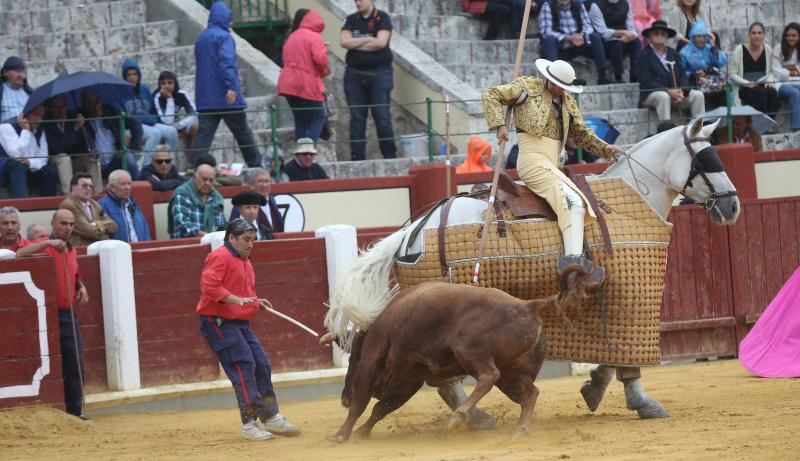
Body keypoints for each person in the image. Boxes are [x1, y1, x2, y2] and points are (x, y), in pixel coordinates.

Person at [482, 58, 616, 290]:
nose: (560, 89)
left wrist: (605, 148)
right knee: (573, 201)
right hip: (532, 161)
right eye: (556, 84)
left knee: (579, 201)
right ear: (547, 78)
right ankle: (573, 265)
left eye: (564, 86)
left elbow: (582, 134)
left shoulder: (569, 102)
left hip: (553, 163)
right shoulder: (526, 87)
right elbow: (491, 94)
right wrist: (499, 126)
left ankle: (575, 259)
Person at [196, 218, 301, 440]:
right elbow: (209, 286)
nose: (251, 244)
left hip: (238, 322)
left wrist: (255, 301)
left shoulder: (244, 259)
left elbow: (243, 290)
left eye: (253, 240)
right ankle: (250, 424)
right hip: (218, 322)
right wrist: (236, 300)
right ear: (231, 238)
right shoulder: (220, 256)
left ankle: (270, 416)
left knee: (261, 365)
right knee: (245, 366)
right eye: (246, 239)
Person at [16, 209, 90, 419]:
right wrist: (47, 243)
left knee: (74, 364)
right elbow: (19, 254)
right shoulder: (44, 247)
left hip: (67, 315)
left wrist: (80, 285)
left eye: (70, 224)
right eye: (63, 223)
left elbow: (74, 273)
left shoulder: (71, 249)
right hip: (44, 316)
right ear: (53, 224)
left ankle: (74, 412)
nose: (67, 228)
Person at [193, 2, 262, 169]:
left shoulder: (201, 38)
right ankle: (256, 167)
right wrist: (231, 87)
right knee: (243, 133)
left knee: (203, 138)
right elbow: (227, 63)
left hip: (206, 98)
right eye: (230, 19)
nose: (231, 23)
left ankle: (196, 169)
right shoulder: (224, 37)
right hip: (226, 96)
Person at [340, 0, 398, 161]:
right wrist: (367, 39)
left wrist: (355, 43)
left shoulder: (382, 18)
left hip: (380, 72)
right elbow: (344, 42)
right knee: (357, 118)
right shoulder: (350, 19)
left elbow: (381, 43)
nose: (357, 3)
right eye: (355, 0)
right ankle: (357, 157)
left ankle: (389, 156)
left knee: (382, 117)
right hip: (354, 73)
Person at [277, 9, 330, 142]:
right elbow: (320, 60)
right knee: (319, 116)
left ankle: (300, 152)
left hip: (288, 82)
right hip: (306, 82)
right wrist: (324, 51)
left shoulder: (292, 36)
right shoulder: (314, 36)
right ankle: (308, 149)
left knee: (300, 120)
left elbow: (285, 59)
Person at [636, 20, 705, 121]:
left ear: (667, 37)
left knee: (697, 95)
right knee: (663, 96)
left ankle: (697, 131)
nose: (659, 36)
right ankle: (667, 131)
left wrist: (681, 91)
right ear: (649, 37)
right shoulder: (643, 55)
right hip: (653, 94)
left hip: (676, 94)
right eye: (656, 33)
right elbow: (647, 82)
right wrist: (668, 91)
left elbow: (682, 75)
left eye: (663, 34)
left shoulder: (674, 53)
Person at [121, 59, 179, 166]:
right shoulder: (120, 92)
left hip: (149, 123)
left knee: (172, 132)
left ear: (139, 75)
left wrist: (149, 119)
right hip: (131, 128)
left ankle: (170, 165)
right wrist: (145, 119)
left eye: (135, 74)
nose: (132, 77)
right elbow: (125, 118)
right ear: (124, 77)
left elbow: (152, 111)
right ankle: (144, 167)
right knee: (155, 133)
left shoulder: (145, 90)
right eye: (128, 75)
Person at [539, 0, 611, 85]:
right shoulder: (548, 5)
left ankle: (603, 75)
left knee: (594, 36)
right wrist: (569, 38)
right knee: (549, 40)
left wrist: (582, 35)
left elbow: (588, 26)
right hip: (560, 47)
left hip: (578, 44)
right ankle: (552, 78)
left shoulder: (578, 5)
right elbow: (546, 31)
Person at [80, 88, 142, 181]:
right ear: (84, 105)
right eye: (90, 104)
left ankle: (138, 189)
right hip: (95, 164)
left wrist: (132, 148)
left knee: (128, 157)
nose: (95, 107)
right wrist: (78, 127)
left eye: (97, 102)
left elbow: (135, 124)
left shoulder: (110, 111)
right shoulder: (80, 118)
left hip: (114, 161)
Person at [0, 103, 59, 198]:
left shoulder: (40, 130)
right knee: (17, 164)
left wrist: (30, 162)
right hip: (9, 173)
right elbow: (15, 154)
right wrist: (26, 131)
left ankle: (46, 205)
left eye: (41, 116)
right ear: (26, 113)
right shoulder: (6, 126)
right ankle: (23, 204)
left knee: (50, 170)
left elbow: (44, 157)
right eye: (36, 114)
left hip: (29, 169)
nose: (39, 119)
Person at [729, 22, 781, 117]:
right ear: (749, 35)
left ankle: (769, 124)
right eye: (754, 33)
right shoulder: (739, 50)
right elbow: (732, 74)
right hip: (745, 86)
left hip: (762, 84)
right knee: (760, 94)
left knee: (773, 93)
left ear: (764, 35)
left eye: (759, 33)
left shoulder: (768, 49)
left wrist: (769, 80)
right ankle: (759, 124)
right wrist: (747, 83)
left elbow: (771, 71)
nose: (757, 36)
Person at [44, 95, 92, 196]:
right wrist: (75, 129)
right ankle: (70, 196)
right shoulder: (47, 122)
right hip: (56, 160)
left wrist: (91, 151)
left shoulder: (74, 117)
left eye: (63, 106)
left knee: (92, 158)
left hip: (75, 158)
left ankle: (97, 195)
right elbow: (56, 148)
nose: (60, 110)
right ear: (50, 109)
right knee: (64, 157)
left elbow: (86, 142)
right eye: (56, 108)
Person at [585, 0, 642, 83]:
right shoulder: (596, 6)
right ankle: (618, 76)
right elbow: (602, 32)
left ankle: (635, 75)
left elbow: (631, 28)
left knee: (636, 43)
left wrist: (629, 36)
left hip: (623, 38)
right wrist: (623, 33)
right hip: (604, 43)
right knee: (615, 44)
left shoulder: (626, 4)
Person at [679, 20, 728, 110]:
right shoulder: (685, 52)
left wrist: (713, 46)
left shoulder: (710, 48)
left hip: (712, 82)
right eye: (699, 36)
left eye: (705, 36)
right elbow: (681, 72)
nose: (702, 39)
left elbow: (721, 62)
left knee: (725, 94)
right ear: (693, 37)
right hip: (694, 82)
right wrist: (693, 73)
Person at [58, 172, 117, 246]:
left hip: (99, 247)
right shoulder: (69, 205)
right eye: (84, 186)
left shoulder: (94, 203)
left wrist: (95, 224)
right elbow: (88, 231)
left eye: (90, 186)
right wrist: (103, 227)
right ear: (73, 187)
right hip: (80, 249)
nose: (88, 189)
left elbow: (113, 226)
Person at [170, 164, 226, 238]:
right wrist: (205, 236)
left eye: (211, 180)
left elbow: (222, 224)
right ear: (195, 178)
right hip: (186, 243)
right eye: (204, 179)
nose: (207, 183)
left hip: (213, 243)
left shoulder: (217, 197)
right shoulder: (182, 193)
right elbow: (181, 221)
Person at [99, 169, 151, 243]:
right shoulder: (102, 205)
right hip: (118, 251)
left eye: (129, 184)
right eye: (123, 184)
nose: (127, 187)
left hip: (140, 249)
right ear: (112, 187)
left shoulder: (133, 203)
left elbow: (145, 228)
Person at [230, 168, 284, 234]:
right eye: (260, 181)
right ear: (251, 185)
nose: (264, 185)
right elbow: (234, 230)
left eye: (267, 181)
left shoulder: (272, 200)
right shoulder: (242, 203)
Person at [152, 71, 198, 149]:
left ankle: (192, 145)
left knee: (196, 125)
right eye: (163, 83)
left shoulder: (181, 94)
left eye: (170, 83)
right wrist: (170, 99)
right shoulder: (157, 97)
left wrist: (178, 126)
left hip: (177, 125)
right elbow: (167, 122)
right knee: (170, 131)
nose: (166, 86)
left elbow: (195, 114)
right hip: (162, 127)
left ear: (175, 83)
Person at [773, 23, 800, 132]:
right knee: (795, 93)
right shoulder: (778, 48)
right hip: (781, 84)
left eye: (794, 35)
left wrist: (788, 71)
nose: (790, 38)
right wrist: (793, 72)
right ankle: (796, 128)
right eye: (788, 35)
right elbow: (776, 70)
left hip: (798, 82)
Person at [0, 56, 33, 123]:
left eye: (23, 72)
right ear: (5, 72)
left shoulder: (29, 93)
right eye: (17, 71)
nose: (21, 76)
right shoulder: (1, 92)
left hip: (26, 132)